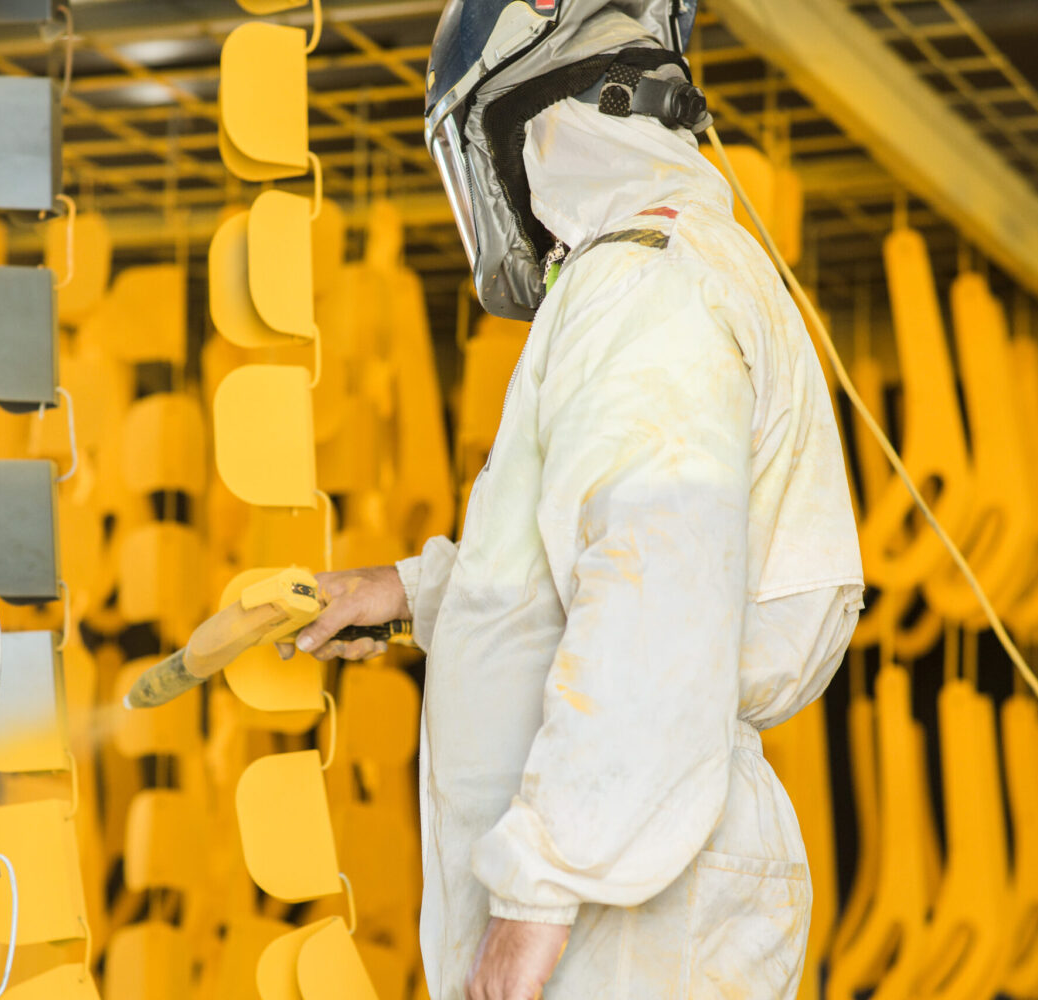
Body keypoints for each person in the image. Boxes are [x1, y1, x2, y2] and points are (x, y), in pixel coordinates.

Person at [283, 2, 864, 996]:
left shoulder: (645, 287)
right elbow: (608, 548)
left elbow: (655, 593)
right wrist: (419, 593)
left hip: (624, 909)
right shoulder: (650, 273)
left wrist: (538, 903)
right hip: (632, 883)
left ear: (507, 126)